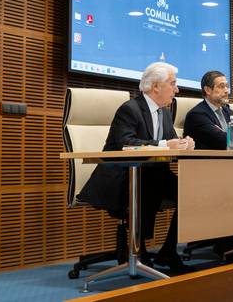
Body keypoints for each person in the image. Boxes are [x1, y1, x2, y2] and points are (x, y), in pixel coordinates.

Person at [78, 62, 195, 270]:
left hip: (153, 174)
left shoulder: (165, 113)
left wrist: (185, 144)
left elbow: (171, 143)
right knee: (148, 183)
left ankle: (168, 252)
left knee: (192, 192)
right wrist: (166, 144)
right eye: (173, 84)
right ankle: (137, 253)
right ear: (156, 86)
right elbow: (126, 143)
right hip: (123, 176)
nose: (177, 90)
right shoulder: (130, 109)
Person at [183, 70, 233, 150]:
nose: (226, 91)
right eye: (221, 86)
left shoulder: (228, 111)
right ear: (208, 90)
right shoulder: (196, 115)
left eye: (227, 86)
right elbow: (222, 141)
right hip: (208, 161)